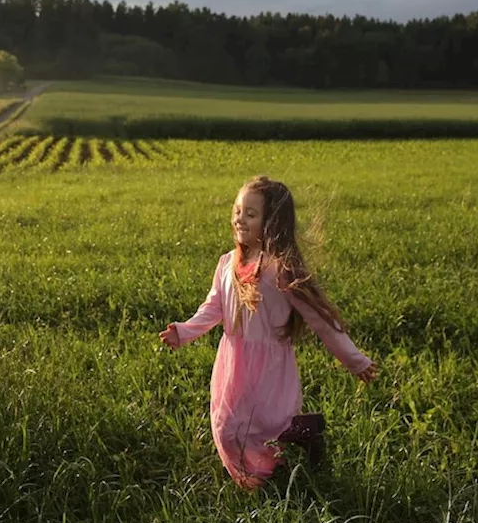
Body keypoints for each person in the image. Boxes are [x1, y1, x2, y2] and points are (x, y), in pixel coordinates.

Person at [159, 175, 379, 490]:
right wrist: (183, 331)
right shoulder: (226, 264)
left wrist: (354, 360)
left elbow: (319, 320)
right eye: (237, 210)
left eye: (251, 213)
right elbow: (213, 308)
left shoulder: (281, 269)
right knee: (227, 426)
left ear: (271, 222)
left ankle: (276, 469)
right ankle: (266, 476)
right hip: (234, 361)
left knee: (261, 427)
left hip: (269, 366)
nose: (240, 218)